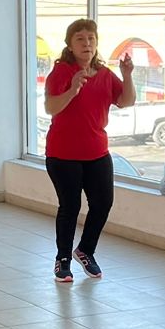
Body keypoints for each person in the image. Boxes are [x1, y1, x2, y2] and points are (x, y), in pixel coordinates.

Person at [43, 19, 135, 282]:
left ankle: (85, 251)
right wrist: (73, 89)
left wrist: (127, 76)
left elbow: (126, 101)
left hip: (97, 153)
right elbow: (51, 107)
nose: (87, 44)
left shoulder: (105, 75)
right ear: (70, 46)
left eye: (91, 39)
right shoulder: (61, 72)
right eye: (81, 39)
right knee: (70, 206)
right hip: (63, 155)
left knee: (103, 203)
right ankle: (62, 260)